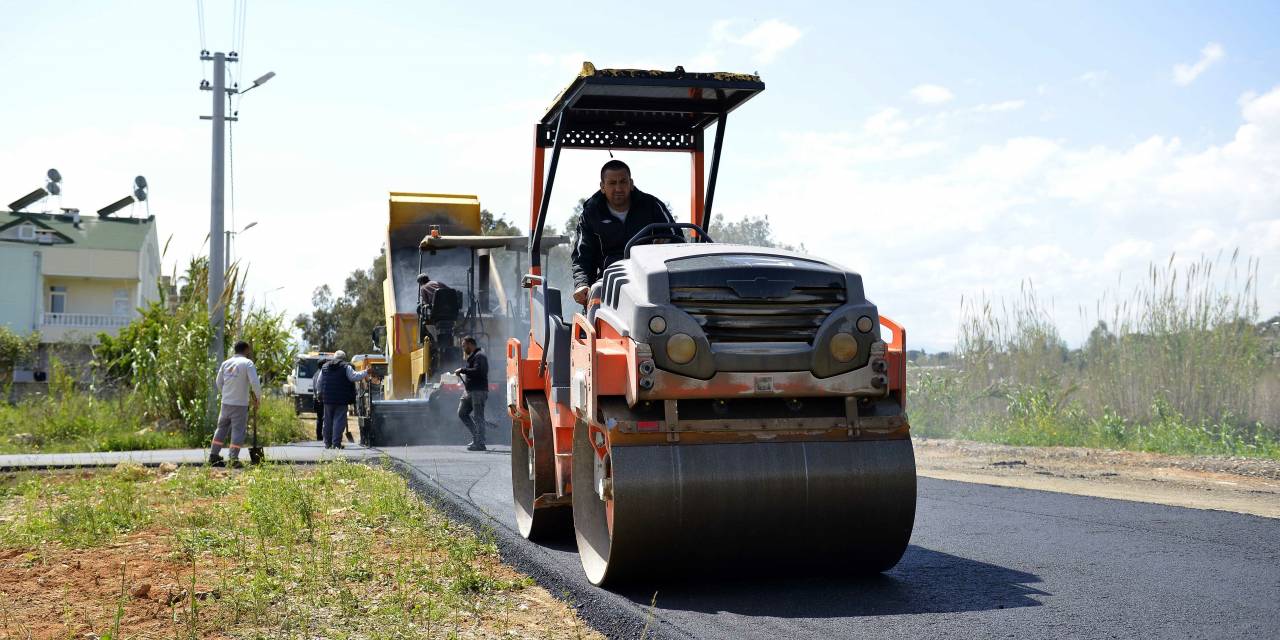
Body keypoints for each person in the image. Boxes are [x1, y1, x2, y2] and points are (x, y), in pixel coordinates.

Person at [570, 159, 680, 305]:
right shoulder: (591, 213)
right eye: (612, 183)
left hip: (650, 275)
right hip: (609, 280)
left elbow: (677, 241)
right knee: (596, 293)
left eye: (623, 182)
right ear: (602, 187)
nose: (618, 188)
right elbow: (583, 256)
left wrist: (663, 246)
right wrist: (582, 284)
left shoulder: (652, 206)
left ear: (631, 183)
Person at [209, 340, 262, 468]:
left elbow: (218, 382)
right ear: (246, 350)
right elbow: (254, 382)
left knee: (221, 429)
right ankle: (233, 459)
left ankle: (213, 455)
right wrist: (257, 397)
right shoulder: (247, 363)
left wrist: (226, 394)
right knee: (238, 431)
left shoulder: (225, 363)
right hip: (240, 404)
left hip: (226, 403)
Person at [318, 350, 377, 449]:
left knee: (327, 420)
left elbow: (319, 382)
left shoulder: (324, 367)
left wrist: (319, 394)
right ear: (344, 358)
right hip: (341, 399)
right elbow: (354, 377)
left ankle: (327, 443)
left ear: (334, 357)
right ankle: (336, 443)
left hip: (327, 399)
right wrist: (366, 372)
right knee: (339, 421)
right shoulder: (346, 367)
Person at [454, 336, 489, 452]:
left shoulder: (480, 356)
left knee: (479, 417)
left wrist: (463, 370)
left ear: (470, 344)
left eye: (464, 346)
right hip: (470, 391)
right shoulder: (474, 356)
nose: (463, 348)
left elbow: (479, 371)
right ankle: (477, 438)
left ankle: (480, 443)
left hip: (478, 391)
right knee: (462, 413)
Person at [312, 357, 329, 441]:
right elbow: (318, 388)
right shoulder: (321, 374)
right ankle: (321, 437)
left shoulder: (315, 374)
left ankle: (319, 436)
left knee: (319, 418)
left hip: (317, 399)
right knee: (323, 418)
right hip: (320, 399)